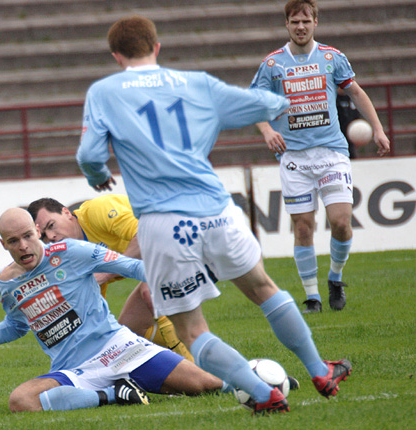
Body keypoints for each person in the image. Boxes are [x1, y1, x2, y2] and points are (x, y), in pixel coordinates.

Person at [76, 14, 352, 414]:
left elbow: (89, 155)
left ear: (116, 55)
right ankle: (319, 369)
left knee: (192, 329)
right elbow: (268, 103)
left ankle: (263, 395)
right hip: (219, 210)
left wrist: (98, 174)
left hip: (164, 222)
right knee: (263, 288)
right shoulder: (196, 83)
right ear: (157, 47)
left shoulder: (104, 92)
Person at [0, 208, 225, 413]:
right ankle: (115, 394)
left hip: (120, 348)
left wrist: (181, 273)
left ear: (37, 230)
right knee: (21, 401)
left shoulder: (71, 252)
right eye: (12, 241)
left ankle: (258, 379)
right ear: (2, 244)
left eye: (27, 236)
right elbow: (18, 324)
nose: (22, 246)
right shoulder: (6, 283)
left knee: (209, 385)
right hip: (74, 370)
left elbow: (131, 266)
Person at [250, 0, 390, 313]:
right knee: (303, 228)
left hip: (332, 152)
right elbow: (255, 102)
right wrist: (266, 131)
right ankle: (312, 296)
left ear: (315, 22)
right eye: (295, 22)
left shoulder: (331, 57)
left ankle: (335, 278)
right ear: (286, 24)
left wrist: (377, 129)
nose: (300, 27)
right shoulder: (273, 64)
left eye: (306, 21)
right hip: (294, 158)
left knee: (341, 222)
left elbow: (356, 92)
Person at [27, 195, 205, 362]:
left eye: (51, 225)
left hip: (184, 238)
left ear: (66, 213)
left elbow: (145, 235)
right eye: (43, 236)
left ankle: (200, 370)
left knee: (150, 293)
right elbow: (95, 309)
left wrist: (107, 272)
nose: (50, 237)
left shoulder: (96, 211)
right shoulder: (70, 256)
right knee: (129, 334)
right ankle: (183, 369)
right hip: (162, 258)